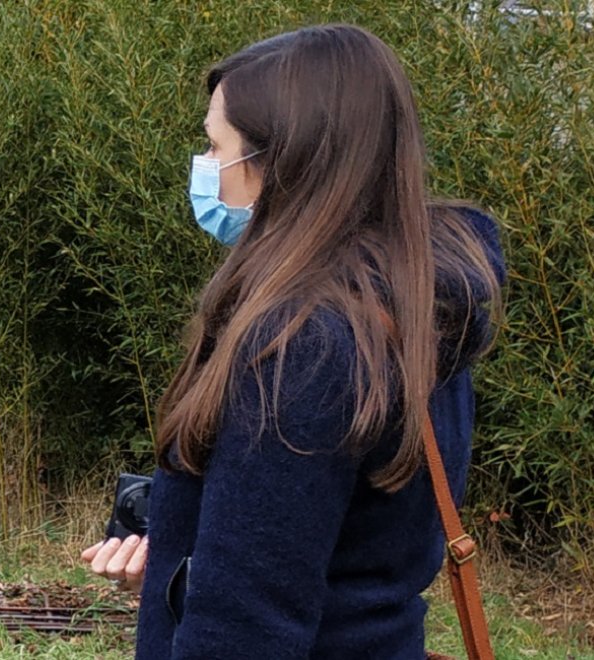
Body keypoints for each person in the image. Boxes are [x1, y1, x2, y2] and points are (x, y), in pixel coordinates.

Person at [78, 24, 504, 659]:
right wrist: (184, 554)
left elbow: (248, 623)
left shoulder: (302, 347)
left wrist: (219, 585)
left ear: (282, 161)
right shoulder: (413, 306)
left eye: (215, 146)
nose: (206, 169)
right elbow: (351, 551)